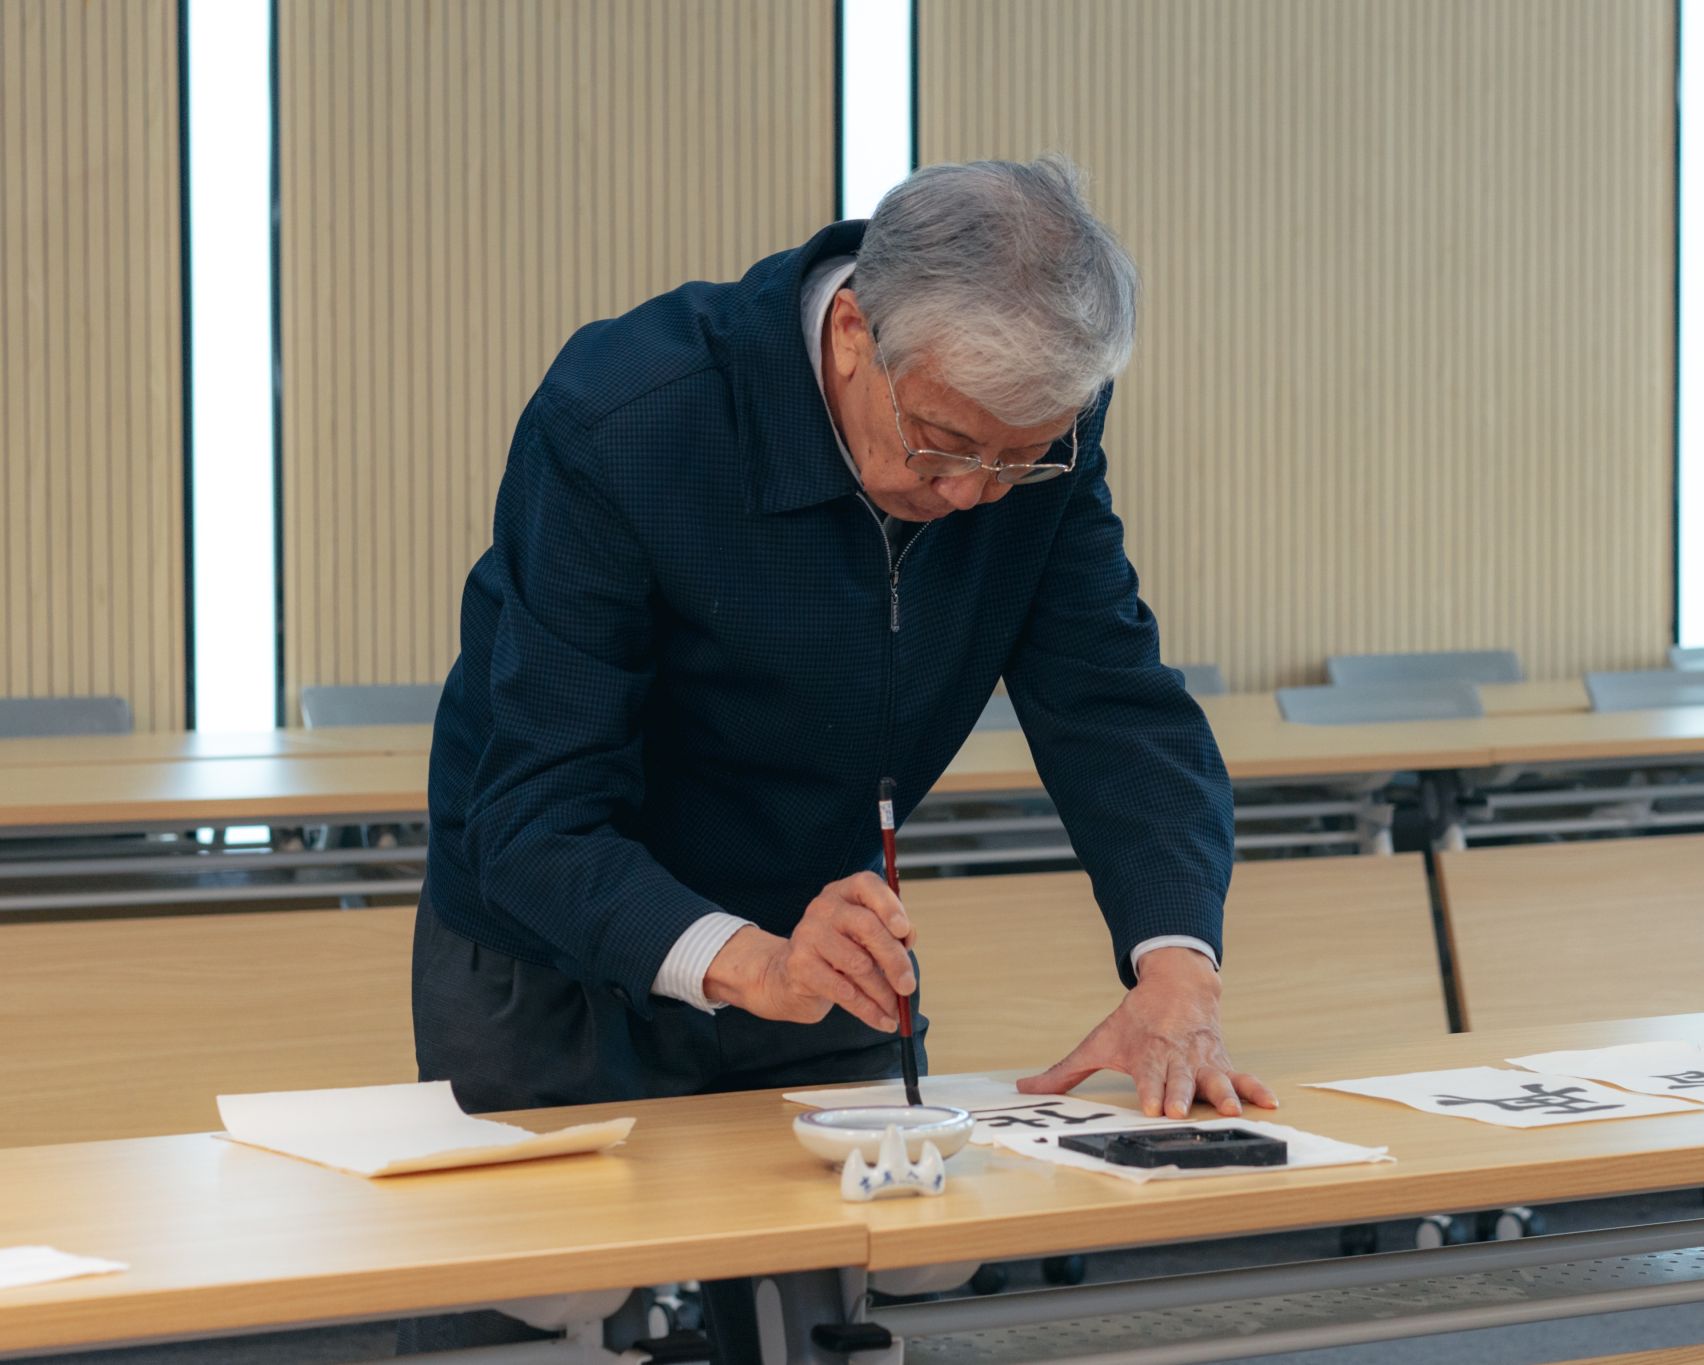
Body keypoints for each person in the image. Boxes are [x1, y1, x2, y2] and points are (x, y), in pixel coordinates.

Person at [408, 156, 1276, 1354]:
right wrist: (743, 962)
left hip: (824, 929)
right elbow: (532, 812)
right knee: (534, 1311)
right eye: (942, 444)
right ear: (857, 332)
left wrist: (1175, 963)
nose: (972, 494)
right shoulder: (627, 417)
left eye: (1019, 459)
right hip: (551, 942)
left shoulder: (1027, 424)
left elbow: (1111, 703)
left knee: (845, 1294)